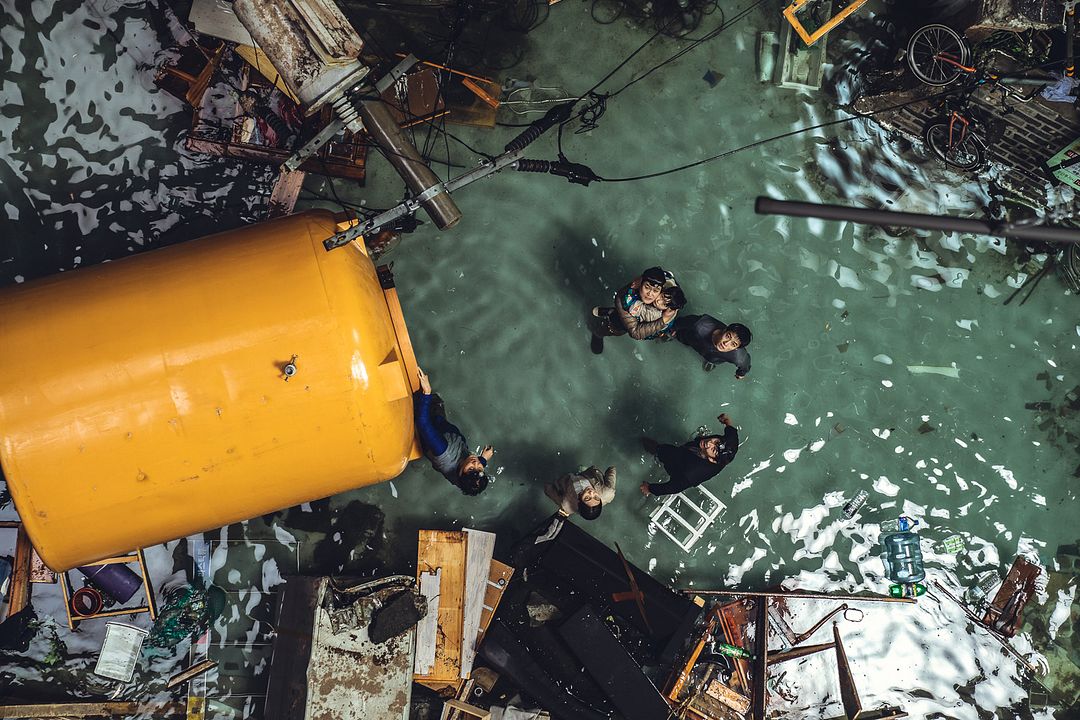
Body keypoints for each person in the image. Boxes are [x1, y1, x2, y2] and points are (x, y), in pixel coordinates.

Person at [414, 368, 493, 495]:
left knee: (434, 400)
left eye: (472, 468)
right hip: (442, 429)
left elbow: (423, 423)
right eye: (480, 468)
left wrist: (426, 392)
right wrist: (483, 459)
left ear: (460, 473)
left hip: (429, 421)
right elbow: (474, 474)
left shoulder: (444, 451)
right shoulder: (464, 480)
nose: (476, 462)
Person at [640, 414, 739, 497]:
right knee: (698, 441)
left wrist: (650, 488)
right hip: (696, 453)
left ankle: (648, 445)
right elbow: (731, 430)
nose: (709, 443)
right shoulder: (730, 442)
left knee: (661, 450)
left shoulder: (694, 472)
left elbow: (673, 488)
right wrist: (726, 421)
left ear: (712, 460)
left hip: (681, 465)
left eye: (713, 449)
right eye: (715, 441)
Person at [591, 267, 683, 353]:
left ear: (662, 289)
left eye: (656, 290)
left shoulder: (670, 302)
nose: (650, 294)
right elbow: (635, 332)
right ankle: (598, 333)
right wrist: (663, 321)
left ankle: (610, 312)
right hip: (629, 319)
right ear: (640, 283)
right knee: (616, 326)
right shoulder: (630, 301)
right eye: (647, 287)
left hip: (651, 328)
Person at [674, 314, 752, 378]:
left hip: (714, 357)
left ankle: (711, 362)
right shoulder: (701, 324)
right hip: (693, 339)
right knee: (683, 337)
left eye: (733, 344)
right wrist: (673, 329)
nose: (726, 343)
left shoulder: (738, 357)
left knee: (713, 359)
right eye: (728, 336)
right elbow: (682, 322)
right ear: (724, 330)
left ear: (736, 348)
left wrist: (740, 374)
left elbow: (745, 366)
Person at [545, 466, 617, 520]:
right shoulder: (607, 491)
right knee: (582, 469)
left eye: (587, 498)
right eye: (596, 497)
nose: (591, 492)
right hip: (588, 474)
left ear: (578, 501)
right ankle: (581, 471)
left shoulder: (566, 504)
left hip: (567, 479)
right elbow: (612, 469)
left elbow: (548, 490)